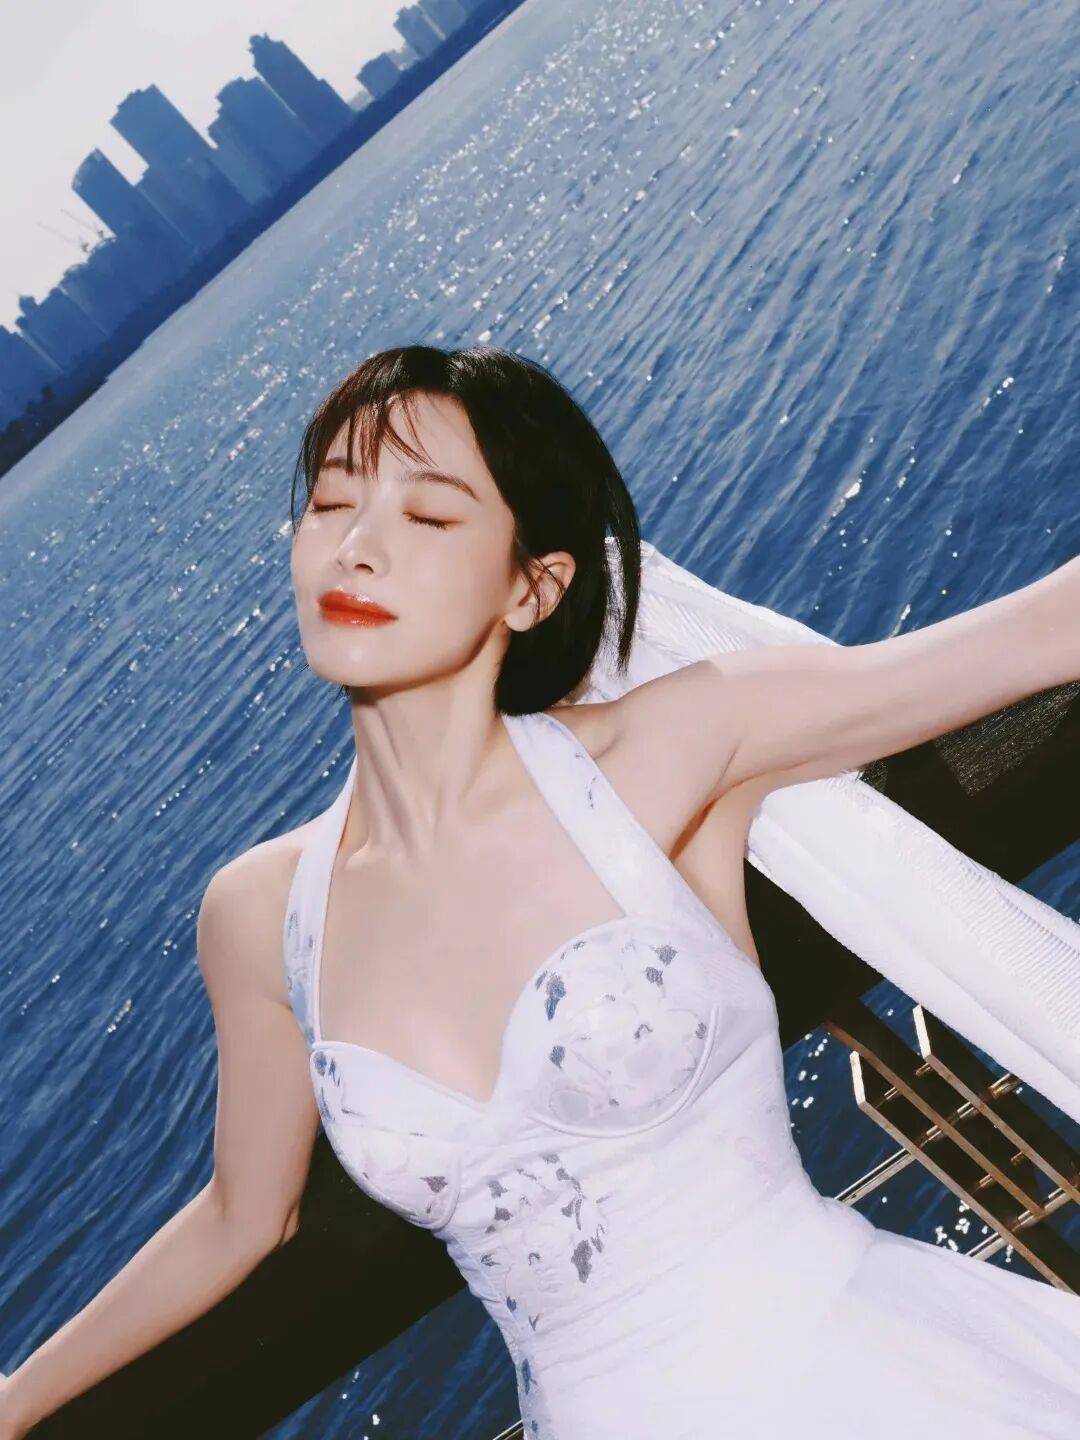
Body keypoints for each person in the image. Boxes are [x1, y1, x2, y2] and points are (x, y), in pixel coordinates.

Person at [2, 344, 1078, 1439]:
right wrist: (13, 1401)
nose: (357, 544)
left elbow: (1039, 632)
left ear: (532, 588)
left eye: (428, 515)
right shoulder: (258, 914)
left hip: (868, 1385)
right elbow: (243, 1216)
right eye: (330, 502)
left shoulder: (670, 746)